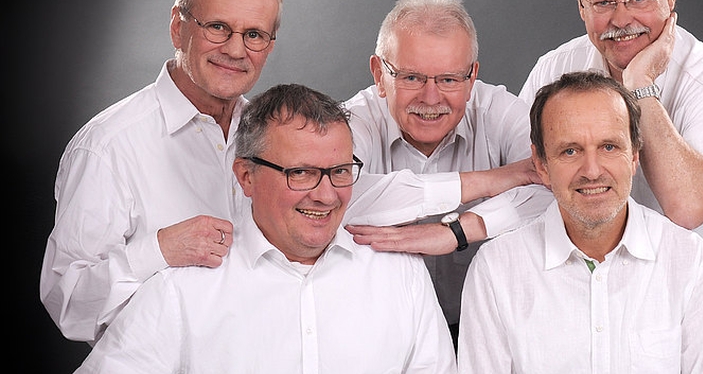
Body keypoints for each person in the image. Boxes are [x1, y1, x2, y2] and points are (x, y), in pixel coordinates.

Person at [40, 0, 483, 346]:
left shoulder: (271, 133)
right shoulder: (108, 147)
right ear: (178, 26)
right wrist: (158, 250)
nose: (236, 49)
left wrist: (500, 183)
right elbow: (68, 305)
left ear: (270, 45)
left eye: (254, 34)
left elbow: (363, 195)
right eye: (218, 27)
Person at [74, 84, 457, 373]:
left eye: (340, 171)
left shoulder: (401, 274)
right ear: (246, 176)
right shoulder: (179, 289)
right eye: (301, 173)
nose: (326, 195)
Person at [517, 0, 703, 372]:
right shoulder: (554, 69)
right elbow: (528, 178)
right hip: (577, 285)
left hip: (694, 291)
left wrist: (640, 85)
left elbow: (688, 208)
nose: (621, 19)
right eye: (604, 3)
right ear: (582, 7)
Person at [458, 71, 703, 373]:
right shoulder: (496, 270)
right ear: (541, 164)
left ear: (634, 155)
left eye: (609, 147)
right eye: (570, 151)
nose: (591, 171)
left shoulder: (690, 261)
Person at [343, 0, 549, 345]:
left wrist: (457, 231)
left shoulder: (500, 111)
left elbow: (559, 188)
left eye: (449, 79)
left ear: (472, 77)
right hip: (379, 335)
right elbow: (335, 194)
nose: (431, 97)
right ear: (379, 74)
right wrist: (491, 181)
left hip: (488, 332)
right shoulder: (350, 122)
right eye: (411, 77)